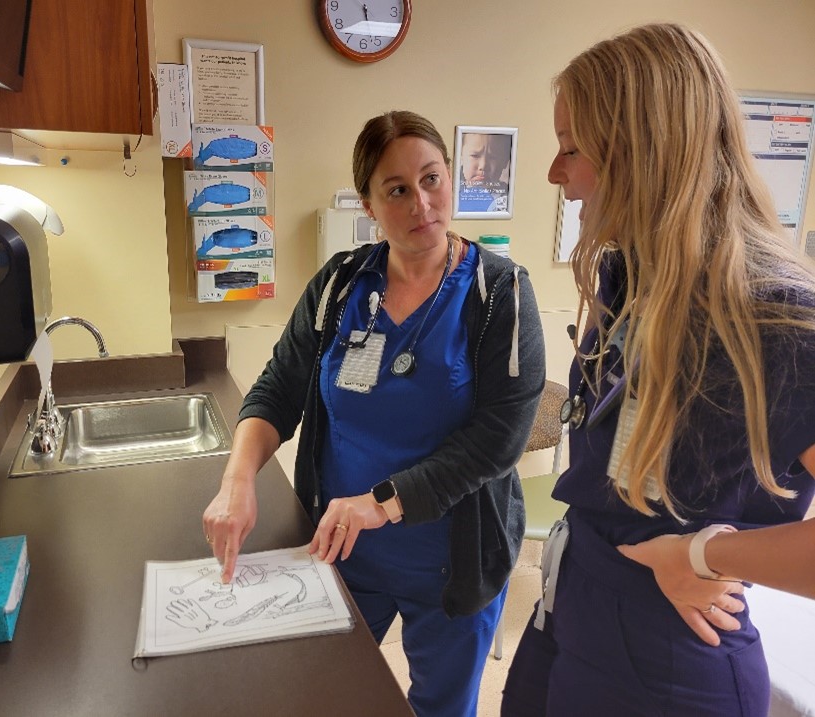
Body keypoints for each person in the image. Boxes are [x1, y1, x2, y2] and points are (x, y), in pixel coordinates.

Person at [501, 23, 815, 717]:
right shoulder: (626, 278)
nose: (556, 174)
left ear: (646, 150)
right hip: (573, 600)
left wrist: (703, 555)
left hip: (669, 653)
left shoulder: (775, 317)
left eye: (570, 147)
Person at [203, 110, 546, 717]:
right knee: (329, 695)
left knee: (440, 707)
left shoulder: (500, 293)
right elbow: (278, 389)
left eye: (433, 179)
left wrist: (380, 502)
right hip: (341, 550)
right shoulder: (341, 286)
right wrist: (236, 482)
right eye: (397, 189)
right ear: (368, 202)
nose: (422, 203)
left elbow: (500, 439)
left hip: (450, 562)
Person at [458, 132, 513, 212]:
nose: (483, 166)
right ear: (461, 155)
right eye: (475, 156)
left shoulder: (508, 199)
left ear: (504, 162)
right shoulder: (450, 189)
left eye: (493, 158)